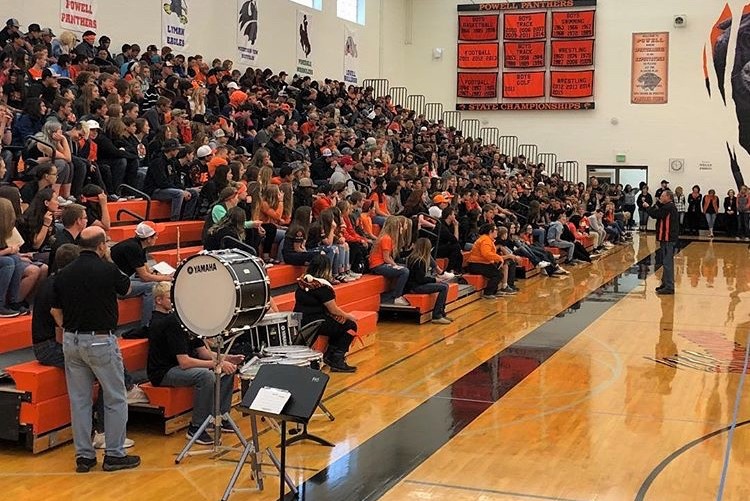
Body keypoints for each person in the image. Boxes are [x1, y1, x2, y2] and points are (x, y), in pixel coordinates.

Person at [50, 226, 140, 473]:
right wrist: (109, 259)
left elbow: (56, 310)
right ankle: (114, 454)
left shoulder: (64, 273)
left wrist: (69, 327)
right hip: (100, 339)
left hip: (71, 340)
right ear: (101, 245)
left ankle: (84, 457)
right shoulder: (108, 268)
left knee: (79, 401)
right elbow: (127, 289)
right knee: (115, 397)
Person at [147, 282, 242, 445]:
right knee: (205, 376)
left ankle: (218, 417)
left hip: (181, 365)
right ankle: (197, 427)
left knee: (228, 370)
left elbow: (203, 352)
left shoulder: (188, 320)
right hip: (164, 371)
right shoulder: (171, 322)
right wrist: (216, 365)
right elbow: (184, 362)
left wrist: (227, 359)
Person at [293, 254, 358, 372]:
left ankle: (331, 356)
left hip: (300, 319)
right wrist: (349, 316)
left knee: (337, 323)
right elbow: (333, 309)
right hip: (316, 322)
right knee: (350, 325)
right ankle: (336, 358)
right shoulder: (322, 287)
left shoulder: (302, 282)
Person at [110, 221, 173, 327]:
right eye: (155, 235)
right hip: (116, 286)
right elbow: (145, 276)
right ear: (148, 238)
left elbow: (146, 270)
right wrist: (166, 278)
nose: (157, 237)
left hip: (123, 278)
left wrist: (158, 276)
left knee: (156, 282)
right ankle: (147, 325)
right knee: (151, 287)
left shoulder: (138, 245)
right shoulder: (133, 248)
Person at [405, 238, 452, 324]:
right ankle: (437, 315)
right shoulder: (419, 261)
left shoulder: (414, 258)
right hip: (415, 287)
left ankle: (441, 313)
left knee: (444, 285)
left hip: (415, 285)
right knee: (444, 287)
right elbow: (420, 280)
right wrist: (435, 279)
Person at [643, 189, 679, 295]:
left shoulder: (669, 207)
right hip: (665, 238)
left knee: (667, 263)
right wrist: (657, 203)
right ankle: (665, 284)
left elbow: (655, 214)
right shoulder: (667, 206)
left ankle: (669, 286)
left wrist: (647, 207)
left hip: (668, 238)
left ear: (668, 197)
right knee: (665, 262)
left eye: (662, 196)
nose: (660, 198)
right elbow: (657, 210)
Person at [368, 216, 410, 305]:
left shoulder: (387, 237)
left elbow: (389, 257)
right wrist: (395, 265)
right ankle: (397, 296)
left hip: (382, 263)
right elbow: (386, 258)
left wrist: (395, 265)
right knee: (404, 271)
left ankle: (397, 293)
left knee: (405, 267)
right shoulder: (386, 238)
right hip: (378, 265)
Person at [466, 223, 512, 299]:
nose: (497, 231)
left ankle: (494, 290)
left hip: (480, 263)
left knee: (499, 272)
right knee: (497, 275)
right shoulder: (485, 240)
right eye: (496, 230)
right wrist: (499, 258)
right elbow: (486, 254)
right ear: (491, 231)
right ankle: (488, 293)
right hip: (476, 264)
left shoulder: (487, 239)